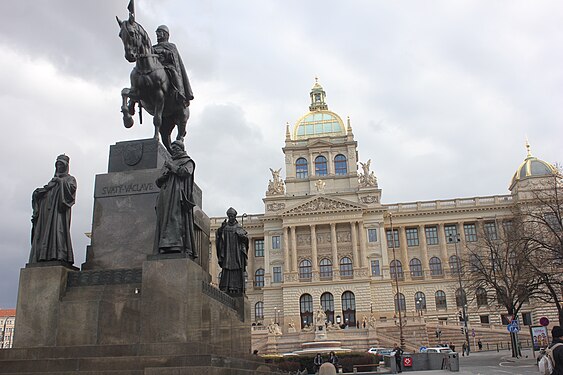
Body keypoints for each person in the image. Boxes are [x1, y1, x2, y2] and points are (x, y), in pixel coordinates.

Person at [29, 154, 77, 264]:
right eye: (58, 164)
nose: (59, 167)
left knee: (58, 232)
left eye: (61, 164)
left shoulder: (70, 179)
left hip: (58, 212)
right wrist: (38, 193)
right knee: (44, 233)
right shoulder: (52, 181)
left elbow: (70, 193)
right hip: (47, 213)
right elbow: (45, 192)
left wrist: (60, 182)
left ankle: (59, 254)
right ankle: (43, 255)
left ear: (66, 166)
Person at [154, 140, 197, 258]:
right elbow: (158, 182)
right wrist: (165, 175)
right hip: (165, 195)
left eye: (175, 148)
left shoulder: (188, 161)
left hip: (178, 196)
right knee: (164, 221)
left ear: (181, 149)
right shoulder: (168, 162)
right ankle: (164, 246)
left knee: (176, 219)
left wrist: (172, 167)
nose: (173, 150)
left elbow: (185, 172)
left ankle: (177, 245)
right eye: (172, 148)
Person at [153, 25, 194, 105]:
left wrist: (163, 51)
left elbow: (173, 57)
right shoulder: (153, 47)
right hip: (155, 68)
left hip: (167, 67)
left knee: (174, 73)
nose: (157, 34)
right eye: (157, 33)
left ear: (165, 34)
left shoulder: (171, 46)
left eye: (159, 32)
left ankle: (180, 93)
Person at [216, 207, 249, 294]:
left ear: (235, 216)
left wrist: (243, 238)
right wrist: (220, 230)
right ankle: (225, 287)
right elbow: (219, 238)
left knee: (236, 268)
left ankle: (236, 287)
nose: (230, 218)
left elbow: (245, 239)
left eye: (232, 216)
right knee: (226, 268)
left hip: (236, 253)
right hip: (227, 252)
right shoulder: (225, 227)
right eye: (229, 216)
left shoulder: (238, 227)